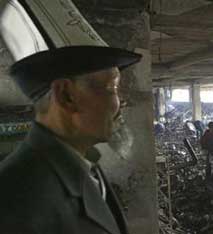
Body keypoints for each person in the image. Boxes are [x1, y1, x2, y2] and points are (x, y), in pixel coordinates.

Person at [0, 45, 142, 234]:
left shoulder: (85, 164)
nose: (121, 102)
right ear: (66, 96)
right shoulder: (18, 197)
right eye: (113, 88)